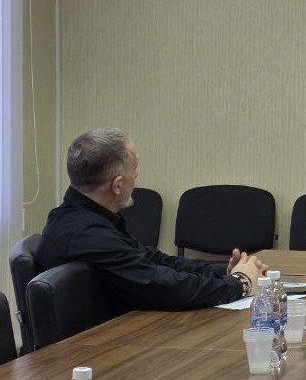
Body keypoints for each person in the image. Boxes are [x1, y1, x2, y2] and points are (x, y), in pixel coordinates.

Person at [36, 128, 267, 315]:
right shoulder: (87, 234)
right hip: (95, 350)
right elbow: (161, 285)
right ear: (117, 185)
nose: (136, 177)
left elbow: (153, 260)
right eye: (134, 170)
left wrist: (223, 271)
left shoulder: (87, 217)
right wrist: (240, 283)